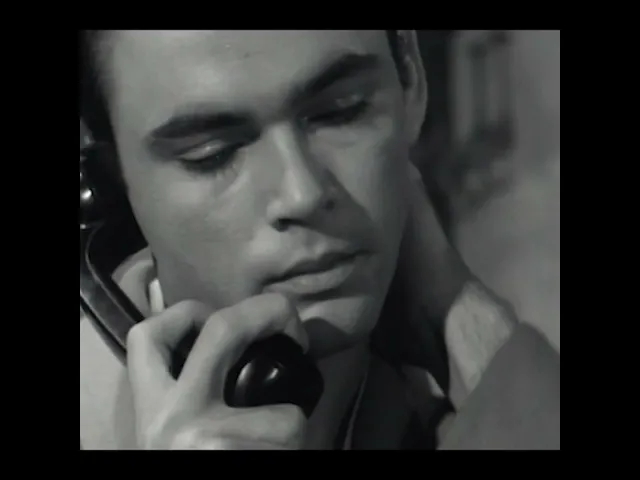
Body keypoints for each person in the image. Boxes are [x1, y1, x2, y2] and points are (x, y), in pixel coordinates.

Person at [79, 30, 560, 450]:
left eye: (342, 112)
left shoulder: (452, 412)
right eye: (212, 154)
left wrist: (464, 318)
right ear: (113, 177)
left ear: (409, 79)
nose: (303, 192)